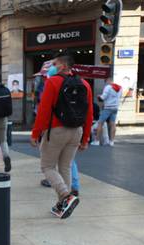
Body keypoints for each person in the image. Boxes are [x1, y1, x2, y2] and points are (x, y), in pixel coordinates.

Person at [31, 52, 93, 219]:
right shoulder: (85, 84)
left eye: (55, 64)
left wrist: (35, 133)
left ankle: (66, 196)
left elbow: (43, 111)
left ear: (63, 66)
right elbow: (89, 114)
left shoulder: (53, 82)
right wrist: (85, 138)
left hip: (56, 131)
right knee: (65, 167)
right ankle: (62, 206)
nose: (52, 67)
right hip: (76, 132)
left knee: (47, 167)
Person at [92, 78, 122, 146]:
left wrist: (99, 96)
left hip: (107, 108)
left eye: (105, 82)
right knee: (113, 124)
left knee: (100, 123)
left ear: (107, 81)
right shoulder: (120, 87)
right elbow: (119, 97)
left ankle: (96, 141)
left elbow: (103, 97)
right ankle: (112, 142)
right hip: (115, 107)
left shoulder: (108, 87)